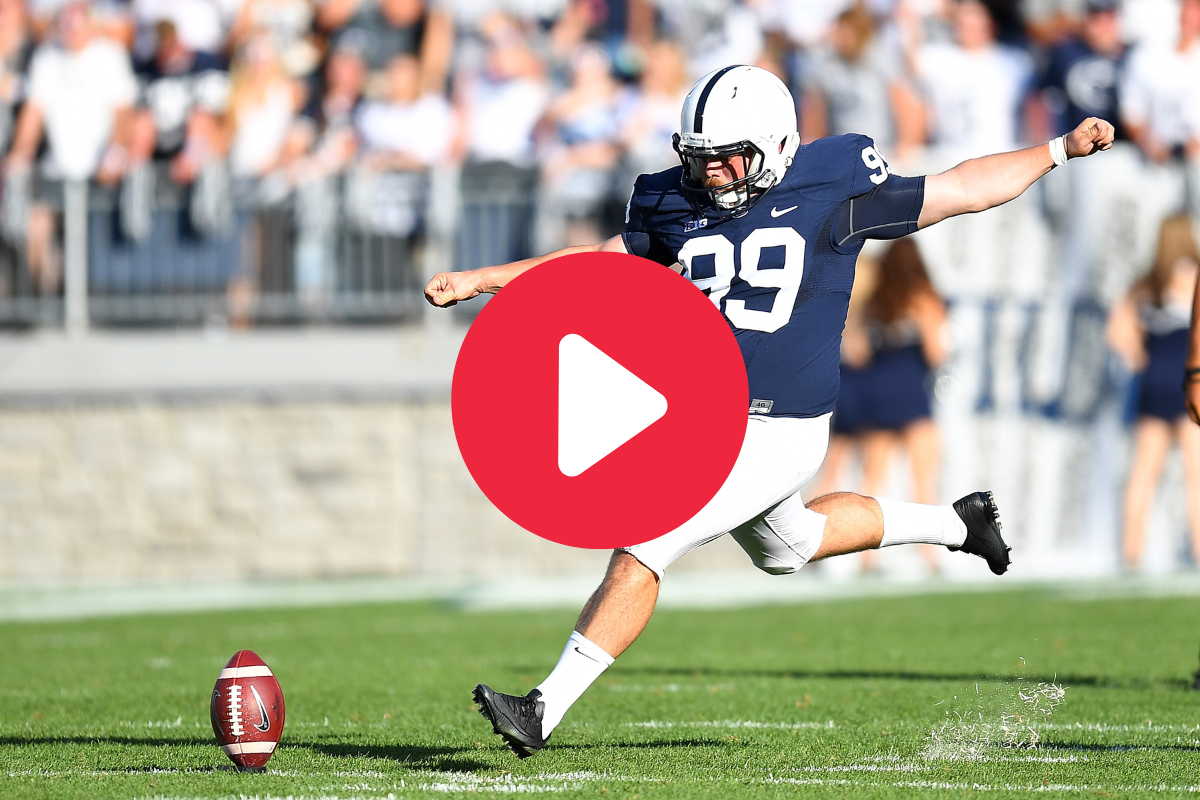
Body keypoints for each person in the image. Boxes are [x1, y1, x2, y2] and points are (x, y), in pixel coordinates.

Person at [424, 65, 1115, 758]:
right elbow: (599, 267)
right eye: (700, 160)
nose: (714, 174)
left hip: (780, 423)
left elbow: (960, 188)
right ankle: (958, 523)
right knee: (791, 548)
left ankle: (543, 707)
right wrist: (488, 279)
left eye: (729, 158)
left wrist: (1056, 150)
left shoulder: (831, 178)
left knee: (648, 537)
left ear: (777, 146)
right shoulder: (669, 201)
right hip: (705, 417)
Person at [834, 239, 948, 574]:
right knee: (924, 479)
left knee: (873, 480)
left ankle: (867, 558)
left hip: (877, 393)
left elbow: (857, 351)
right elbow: (936, 352)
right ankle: (930, 556)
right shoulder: (924, 298)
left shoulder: (875, 301)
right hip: (912, 394)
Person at [1107, 214, 1200, 571]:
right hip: (1186, 382)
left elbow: (1117, 331)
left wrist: (1140, 356)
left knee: (1143, 474)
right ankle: (1197, 551)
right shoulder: (1192, 277)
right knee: (1195, 475)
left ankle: (1131, 555)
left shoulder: (1146, 284)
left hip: (1152, 383)